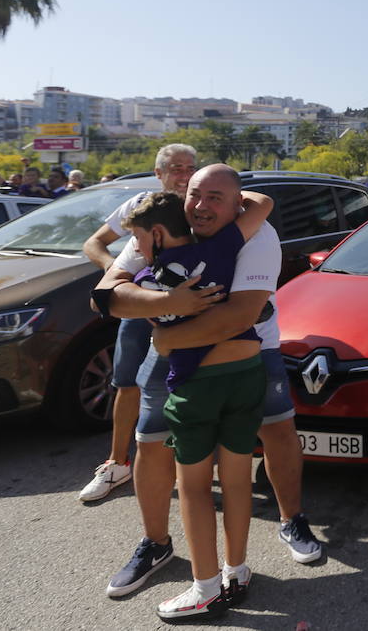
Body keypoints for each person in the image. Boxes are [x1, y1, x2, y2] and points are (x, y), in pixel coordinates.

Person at [94, 164, 325, 605]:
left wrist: (165, 334)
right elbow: (109, 293)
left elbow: (238, 316)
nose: (201, 206)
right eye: (195, 194)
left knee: (275, 432)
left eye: (215, 198)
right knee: (151, 442)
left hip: (246, 354)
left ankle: (289, 520)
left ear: (237, 204)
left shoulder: (256, 235)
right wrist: (167, 302)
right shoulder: (164, 227)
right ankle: (156, 544)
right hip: (175, 359)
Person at [118, 187, 272, 620]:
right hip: (246, 373)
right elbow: (261, 204)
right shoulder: (225, 244)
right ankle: (236, 571)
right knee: (239, 479)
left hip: (197, 385)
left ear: (160, 233)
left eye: (140, 240)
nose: (138, 250)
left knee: (194, 487)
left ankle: (205, 589)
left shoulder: (152, 281)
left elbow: (126, 309)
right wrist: (223, 193)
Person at [78, 143, 198, 503]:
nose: (185, 174)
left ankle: (188, 464)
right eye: (176, 168)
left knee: (189, 386)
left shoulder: (200, 206)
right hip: (139, 310)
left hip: (187, 310)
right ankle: (116, 463)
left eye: (190, 167)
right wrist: (117, 274)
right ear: (158, 173)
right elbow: (94, 243)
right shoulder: (139, 205)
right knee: (127, 383)